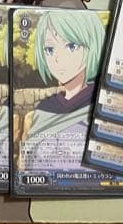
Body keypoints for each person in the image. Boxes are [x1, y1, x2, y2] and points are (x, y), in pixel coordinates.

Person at [19, 10, 104, 172]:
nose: (58, 59)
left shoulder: (100, 102)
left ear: (93, 46)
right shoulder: (45, 107)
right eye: (50, 49)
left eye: (71, 46)